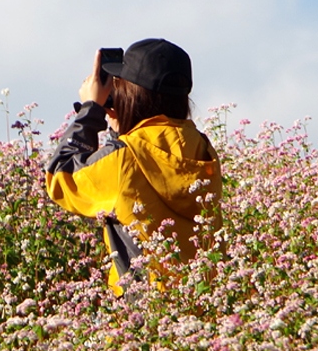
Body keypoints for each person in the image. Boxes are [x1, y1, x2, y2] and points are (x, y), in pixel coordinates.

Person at [45, 38, 222, 291]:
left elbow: (61, 178)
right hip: (204, 306)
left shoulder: (123, 158)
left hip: (144, 316)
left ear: (132, 96)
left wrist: (91, 109)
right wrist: (123, 131)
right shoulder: (203, 149)